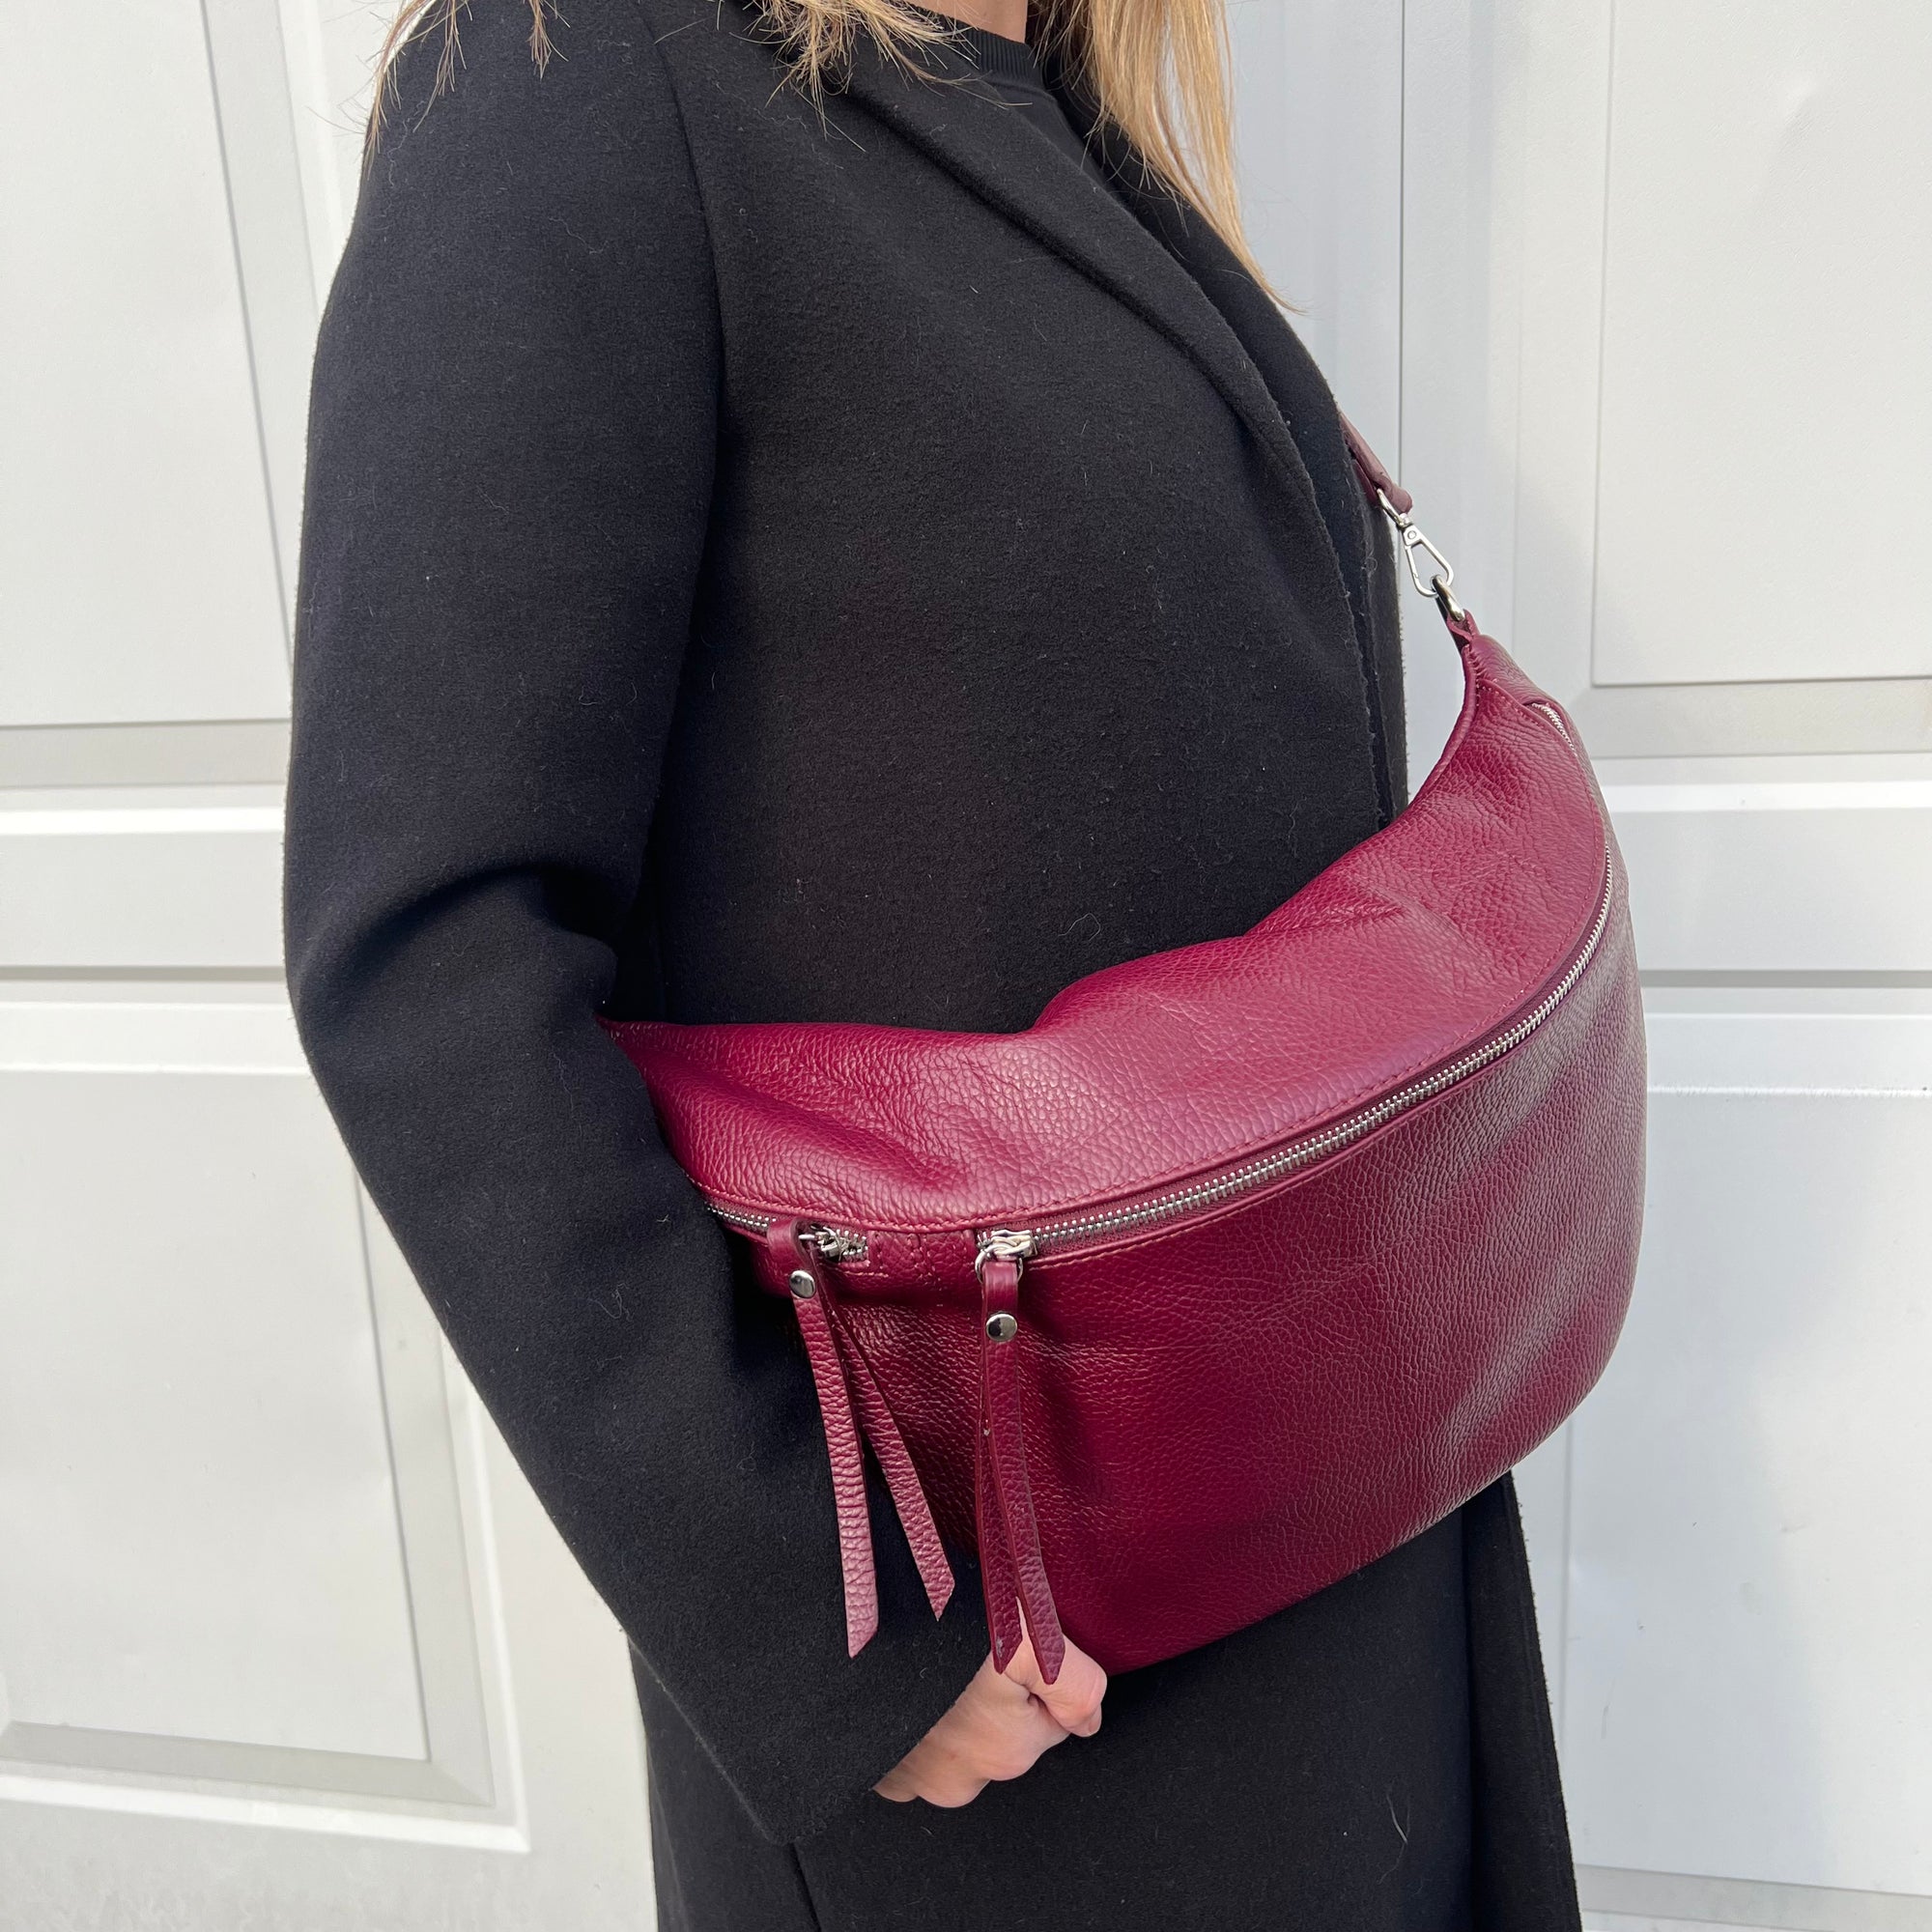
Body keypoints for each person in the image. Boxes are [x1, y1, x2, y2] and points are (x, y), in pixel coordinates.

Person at [284, 0, 1583, 1923]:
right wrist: (834, 1628)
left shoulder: (1077, 119)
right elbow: (425, 948)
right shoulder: (569, 86)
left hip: (1334, 1530)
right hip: (1022, 1670)